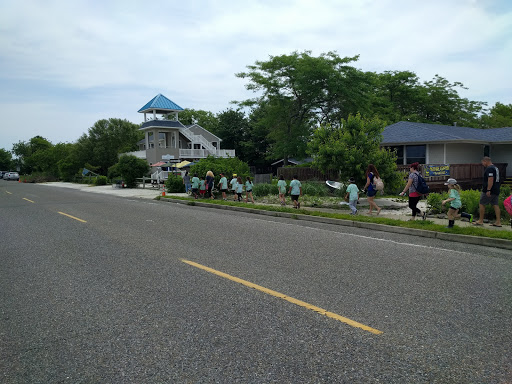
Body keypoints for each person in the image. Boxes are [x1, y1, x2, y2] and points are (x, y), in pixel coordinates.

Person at [473, 156, 502, 227]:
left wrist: (488, 189)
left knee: (482, 203)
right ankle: (498, 222)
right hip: (496, 189)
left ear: (485, 161)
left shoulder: (489, 169)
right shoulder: (495, 168)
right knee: (495, 205)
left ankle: (480, 220)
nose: (482, 164)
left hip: (490, 190)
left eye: (482, 162)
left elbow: (490, 179)